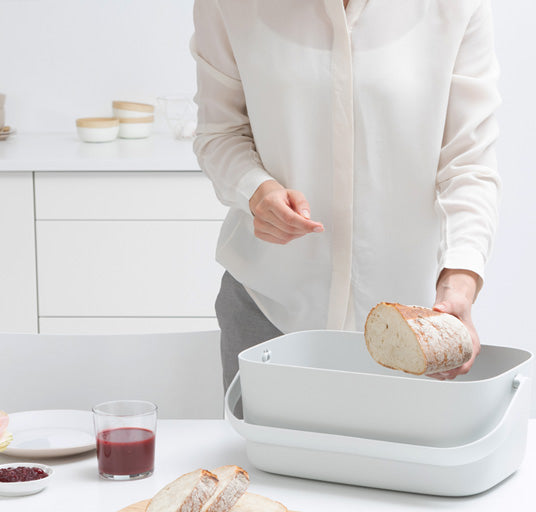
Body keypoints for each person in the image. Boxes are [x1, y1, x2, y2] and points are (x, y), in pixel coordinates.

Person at [191, 0, 501, 391]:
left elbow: (468, 164)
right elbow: (219, 133)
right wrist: (255, 190)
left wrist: (459, 282)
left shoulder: (455, 7)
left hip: (410, 327)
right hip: (267, 310)